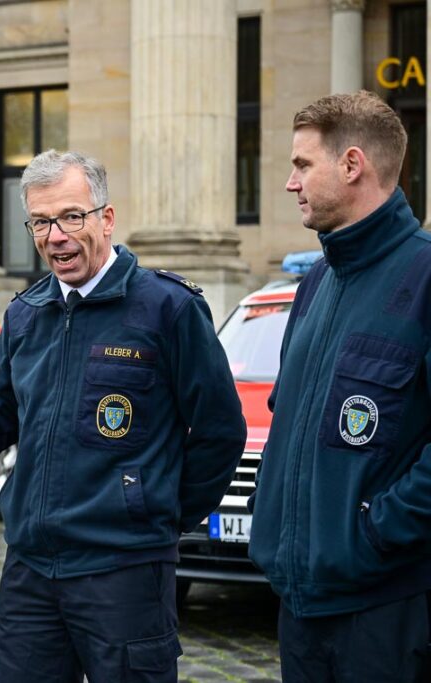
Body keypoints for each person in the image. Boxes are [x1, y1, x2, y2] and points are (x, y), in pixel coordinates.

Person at [0, 150, 246, 682]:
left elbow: (221, 432)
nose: (55, 235)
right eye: (40, 222)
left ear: (105, 218)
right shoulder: (26, 313)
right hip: (31, 570)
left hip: (125, 571)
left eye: (71, 217)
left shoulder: (167, 308)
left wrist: (157, 515)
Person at [248, 91, 431, 682]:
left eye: (302, 165)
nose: (289, 183)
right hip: (301, 610)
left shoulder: (425, 276)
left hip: (388, 612)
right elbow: (291, 424)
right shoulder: (314, 284)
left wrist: (376, 533)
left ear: (352, 165)